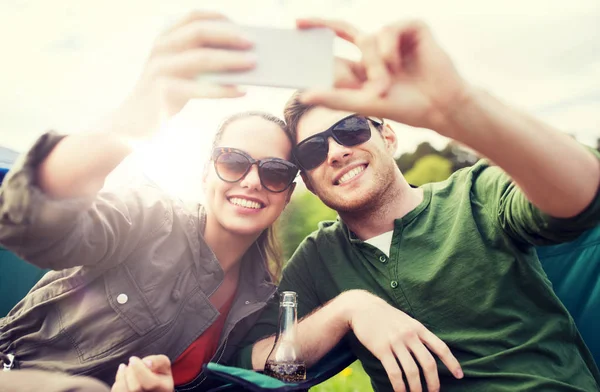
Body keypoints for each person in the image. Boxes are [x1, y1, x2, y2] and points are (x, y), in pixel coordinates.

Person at [230, 17, 600, 392]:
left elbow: (584, 194)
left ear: (388, 137)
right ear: (306, 179)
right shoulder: (318, 259)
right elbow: (257, 363)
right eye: (312, 150)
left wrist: (461, 105)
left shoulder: (476, 195)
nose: (337, 151)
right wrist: (350, 308)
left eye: (350, 130)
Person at [0, 11, 302, 392]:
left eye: (275, 172)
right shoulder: (149, 217)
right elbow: (28, 223)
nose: (253, 180)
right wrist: (142, 109)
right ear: (206, 172)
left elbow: (277, 375)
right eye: (233, 161)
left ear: (288, 192)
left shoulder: (262, 299)